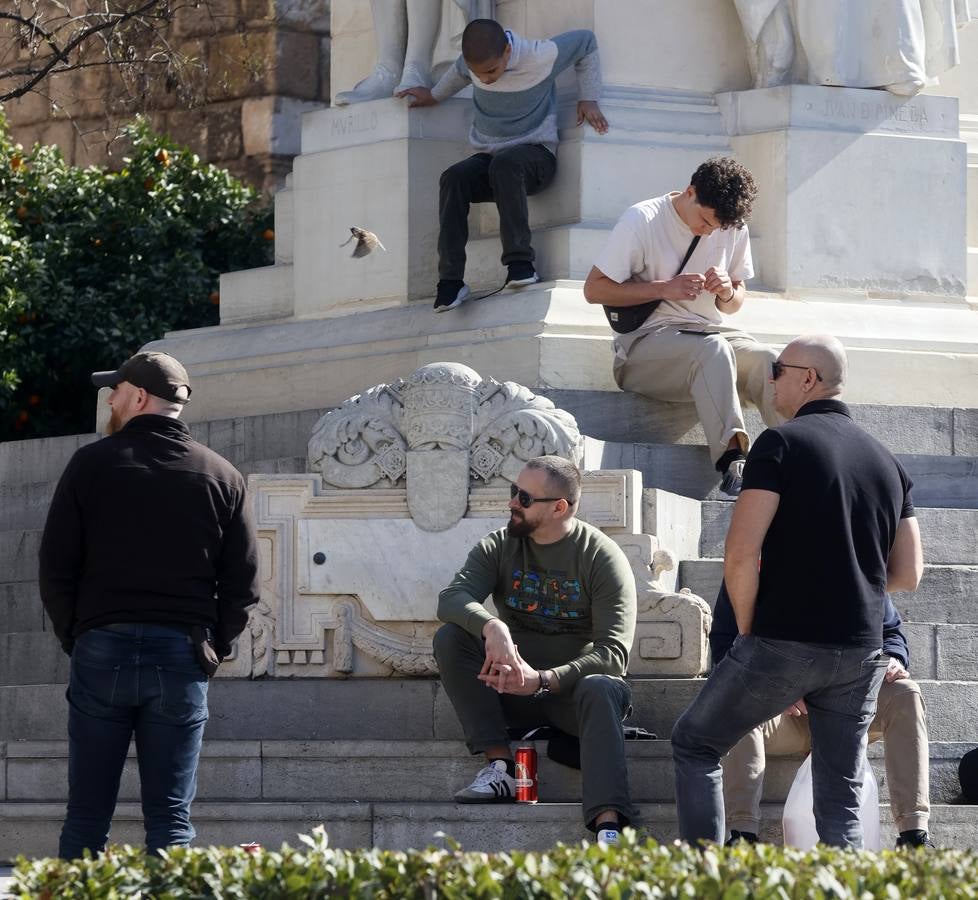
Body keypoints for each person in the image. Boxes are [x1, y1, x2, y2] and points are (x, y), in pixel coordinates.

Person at [670, 334, 924, 848]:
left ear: (809, 379)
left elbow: (740, 554)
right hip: (858, 651)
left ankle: (703, 875)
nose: (770, 379)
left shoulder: (779, 443)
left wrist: (747, 633)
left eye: (779, 369)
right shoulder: (887, 461)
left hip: (781, 641)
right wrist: (850, 580)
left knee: (694, 744)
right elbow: (908, 573)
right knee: (840, 797)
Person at [39, 351, 260, 859]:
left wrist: (79, 634)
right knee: (171, 821)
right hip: (181, 652)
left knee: (87, 816)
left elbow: (55, 568)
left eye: (114, 390)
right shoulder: (223, 475)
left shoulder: (90, 464)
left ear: (139, 397)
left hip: (102, 647)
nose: (110, 399)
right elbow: (244, 583)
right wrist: (211, 647)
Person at [433, 455, 637, 842]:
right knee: (451, 637)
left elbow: (613, 653)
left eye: (524, 498)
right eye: (514, 491)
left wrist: (543, 680)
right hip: (510, 686)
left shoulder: (601, 556)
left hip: (573, 696)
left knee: (602, 685)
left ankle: (608, 825)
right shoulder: (500, 544)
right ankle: (501, 768)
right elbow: (452, 598)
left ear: (559, 507)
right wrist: (491, 625)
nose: (512, 502)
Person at [583, 157, 781, 497]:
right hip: (643, 347)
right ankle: (733, 461)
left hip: (707, 335)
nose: (708, 232)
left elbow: (735, 302)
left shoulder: (731, 226)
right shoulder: (642, 219)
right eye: (704, 221)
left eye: (716, 228)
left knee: (768, 358)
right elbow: (594, 289)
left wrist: (727, 291)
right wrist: (664, 288)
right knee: (713, 351)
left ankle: (803, 455)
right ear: (690, 192)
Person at [397, 19, 607, 312]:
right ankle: (450, 284)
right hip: (494, 162)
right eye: (478, 75)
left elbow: (586, 41)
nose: (485, 79)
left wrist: (589, 98)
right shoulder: (472, 66)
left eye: (492, 71)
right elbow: (457, 75)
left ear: (508, 51)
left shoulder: (539, 56)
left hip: (536, 159)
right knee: (454, 177)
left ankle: (521, 265)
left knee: (506, 164)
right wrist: (431, 96)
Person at [711, 582, 934, 849]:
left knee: (905, 692)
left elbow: (891, 631)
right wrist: (774, 686)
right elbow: (724, 646)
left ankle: (913, 834)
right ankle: (742, 835)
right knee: (738, 701)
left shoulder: (854, 561)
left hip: (848, 707)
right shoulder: (751, 565)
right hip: (780, 715)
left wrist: (894, 658)